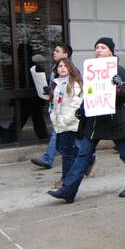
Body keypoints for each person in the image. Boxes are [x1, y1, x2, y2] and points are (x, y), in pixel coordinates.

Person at [47, 37, 125, 203]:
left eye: (103, 47)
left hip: (115, 121)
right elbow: (88, 94)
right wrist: (81, 111)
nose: (99, 50)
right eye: (97, 47)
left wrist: (118, 86)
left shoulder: (118, 70)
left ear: (111, 51)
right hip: (95, 121)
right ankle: (68, 191)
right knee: (83, 156)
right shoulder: (90, 70)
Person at [30, 42, 72, 169]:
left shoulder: (70, 70)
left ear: (66, 54)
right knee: (65, 138)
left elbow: (71, 90)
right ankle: (88, 159)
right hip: (56, 107)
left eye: (57, 51)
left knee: (57, 134)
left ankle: (48, 159)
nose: (54, 52)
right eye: (54, 50)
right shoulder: (56, 68)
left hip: (66, 110)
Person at [49, 58, 83, 189]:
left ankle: (66, 179)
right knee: (61, 147)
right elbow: (54, 104)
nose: (62, 68)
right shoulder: (57, 84)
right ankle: (88, 160)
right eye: (59, 66)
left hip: (70, 124)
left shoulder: (74, 84)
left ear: (70, 68)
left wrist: (65, 120)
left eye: (65, 66)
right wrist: (54, 118)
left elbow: (76, 105)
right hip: (59, 124)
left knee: (67, 151)